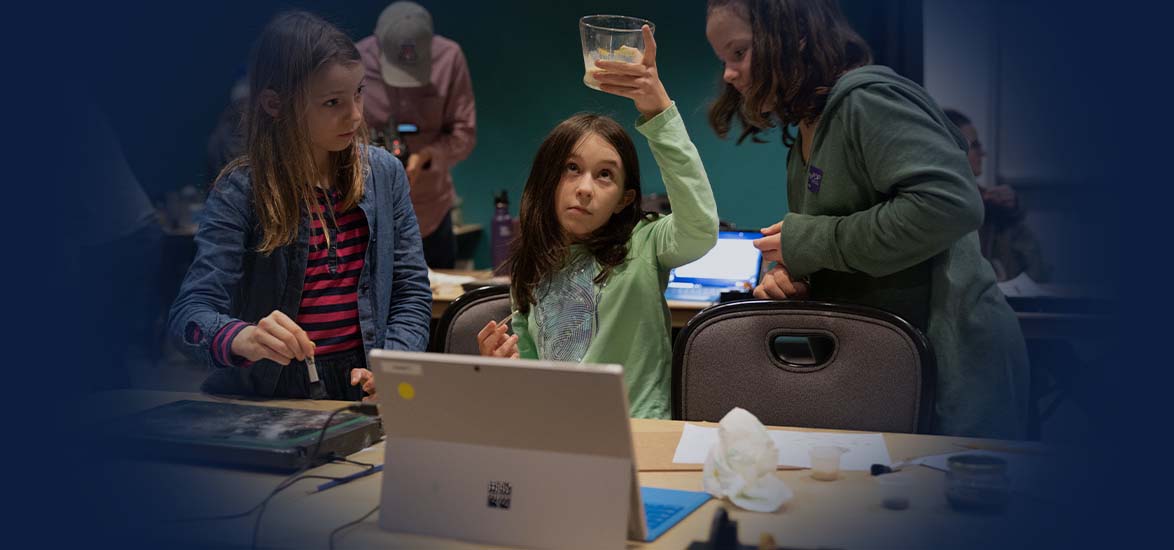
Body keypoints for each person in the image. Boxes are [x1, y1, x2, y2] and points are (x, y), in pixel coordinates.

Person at [705, 0, 1028, 438]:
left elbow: (952, 204)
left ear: (794, 37)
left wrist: (810, 243)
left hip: (955, 368)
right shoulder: (806, 130)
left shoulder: (868, 98)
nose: (729, 73)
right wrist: (795, 276)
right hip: (888, 369)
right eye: (723, 59)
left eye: (739, 53)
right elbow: (850, 247)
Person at [169, 11, 432, 401]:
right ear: (275, 104)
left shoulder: (384, 174)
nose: (355, 114)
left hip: (363, 387)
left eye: (359, 92)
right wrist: (244, 336)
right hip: (269, 395)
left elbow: (411, 292)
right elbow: (189, 314)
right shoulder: (240, 190)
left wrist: (393, 362)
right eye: (332, 102)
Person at [476, 26, 718, 419]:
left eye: (605, 174)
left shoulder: (646, 245)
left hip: (636, 437)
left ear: (625, 199)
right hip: (554, 435)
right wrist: (498, 365)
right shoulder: (533, 263)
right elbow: (526, 382)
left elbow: (701, 229)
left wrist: (658, 111)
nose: (585, 188)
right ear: (548, 181)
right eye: (572, 169)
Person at [356, 1, 476, 269]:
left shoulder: (450, 58)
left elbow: (464, 133)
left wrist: (429, 156)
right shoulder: (355, 61)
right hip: (371, 214)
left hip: (432, 212)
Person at [944, 109, 1050, 282]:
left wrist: (1014, 211)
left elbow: (1035, 269)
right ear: (953, 148)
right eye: (975, 145)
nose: (983, 153)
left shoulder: (995, 204)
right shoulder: (939, 204)